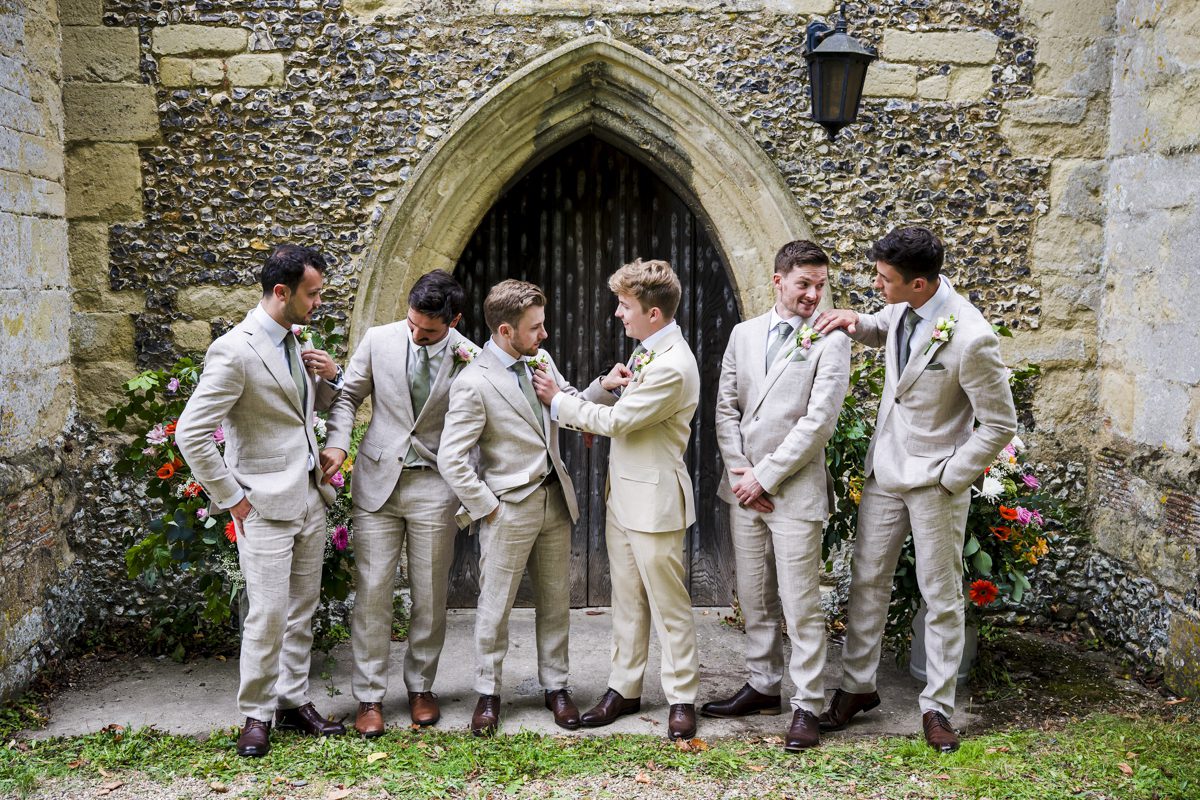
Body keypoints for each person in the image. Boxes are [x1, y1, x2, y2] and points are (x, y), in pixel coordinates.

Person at [813, 226, 1017, 752]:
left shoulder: (971, 336)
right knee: (867, 580)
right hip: (885, 469)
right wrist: (854, 323)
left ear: (920, 283)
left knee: (941, 594)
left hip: (935, 481)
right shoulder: (905, 306)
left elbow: (999, 424)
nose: (876, 285)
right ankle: (858, 687)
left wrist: (952, 476)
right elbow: (886, 325)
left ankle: (937, 705)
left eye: (884, 279)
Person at [176, 244, 347, 757]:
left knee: (302, 609)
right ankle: (257, 712)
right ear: (281, 292)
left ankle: (294, 700)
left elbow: (301, 416)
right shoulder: (235, 350)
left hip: (310, 498)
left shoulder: (297, 341)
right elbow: (191, 433)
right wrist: (233, 498)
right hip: (262, 505)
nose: (318, 302)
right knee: (267, 614)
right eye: (312, 294)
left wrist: (329, 380)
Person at [437, 279, 621, 736]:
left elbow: (567, 404)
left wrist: (604, 387)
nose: (544, 336)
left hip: (554, 500)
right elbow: (451, 458)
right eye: (535, 328)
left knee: (556, 602)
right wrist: (488, 508)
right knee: (494, 607)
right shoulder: (473, 382)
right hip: (507, 509)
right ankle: (488, 693)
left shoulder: (540, 361)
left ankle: (556, 687)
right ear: (505, 331)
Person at [533, 258, 701, 741]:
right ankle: (624, 688)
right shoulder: (650, 351)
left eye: (624, 306)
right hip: (622, 497)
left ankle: (682, 696)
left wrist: (558, 402)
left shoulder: (673, 364)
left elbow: (619, 424)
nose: (617, 314)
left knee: (669, 604)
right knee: (626, 600)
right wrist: (609, 388)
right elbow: (624, 409)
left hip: (656, 502)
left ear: (653, 313)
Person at [704, 240, 851, 751]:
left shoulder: (830, 341)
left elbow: (819, 423)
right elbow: (725, 408)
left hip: (793, 491)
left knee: (800, 602)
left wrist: (764, 477)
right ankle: (763, 685)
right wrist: (742, 472)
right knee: (755, 596)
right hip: (744, 489)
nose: (813, 294)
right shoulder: (744, 335)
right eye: (803, 283)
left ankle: (807, 703)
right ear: (778, 280)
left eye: (820, 284)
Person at [322, 270, 478, 736]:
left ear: (454, 321)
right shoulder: (378, 339)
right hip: (376, 480)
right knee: (372, 591)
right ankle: (369, 696)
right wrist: (338, 443)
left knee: (430, 593)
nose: (416, 334)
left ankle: (421, 686)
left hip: (435, 483)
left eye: (428, 330)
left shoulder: (471, 356)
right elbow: (347, 396)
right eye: (412, 324)